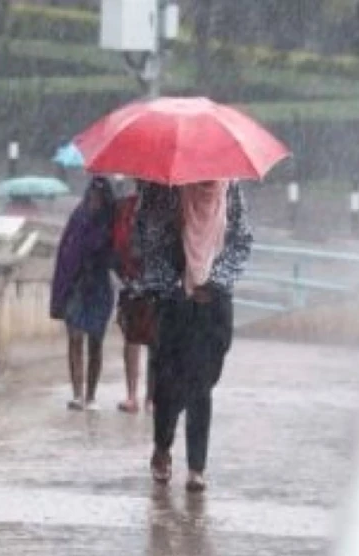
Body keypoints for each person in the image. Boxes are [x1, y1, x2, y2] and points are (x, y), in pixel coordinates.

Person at [133, 180, 253, 493]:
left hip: (214, 303)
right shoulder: (163, 188)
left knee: (203, 383)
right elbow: (145, 238)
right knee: (168, 384)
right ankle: (164, 446)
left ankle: (197, 466)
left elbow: (241, 241)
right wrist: (175, 283)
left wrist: (214, 282)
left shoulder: (230, 189)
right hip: (173, 301)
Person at [50, 176, 117, 411]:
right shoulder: (78, 218)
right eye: (92, 195)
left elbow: (117, 254)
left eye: (99, 196)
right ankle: (77, 393)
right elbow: (66, 252)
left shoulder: (111, 222)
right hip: (76, 285)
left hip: (98, 286)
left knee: (96, 343)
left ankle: (91, 395)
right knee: (75, 338)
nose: (95, 200)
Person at [111, 182, 156, 415]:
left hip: (157, 284)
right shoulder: (125, 208)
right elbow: (116, 243)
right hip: (131, 282)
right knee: (131, 339)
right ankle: (132, 395)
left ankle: (151, 398)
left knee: (155, 343)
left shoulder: (164, 208)